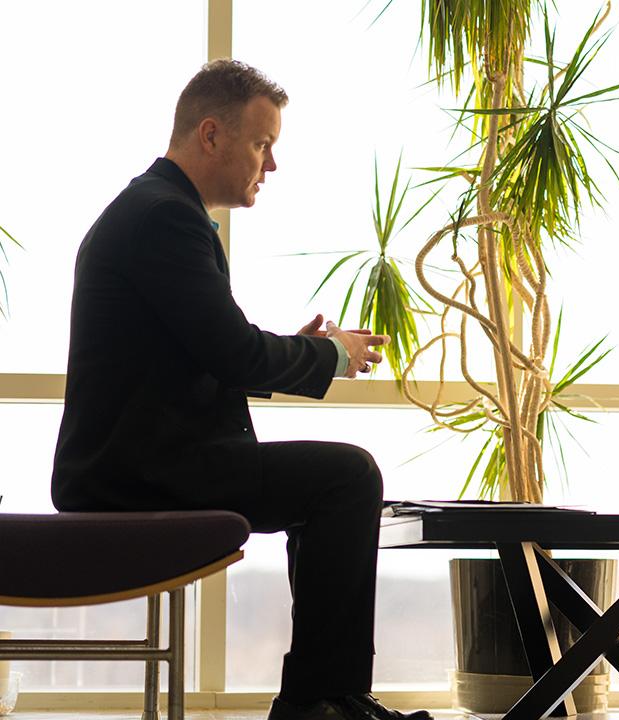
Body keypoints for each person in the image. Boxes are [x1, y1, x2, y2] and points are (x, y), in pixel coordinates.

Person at [51, 59, 433, 720]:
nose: (272, 165)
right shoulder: (164, 219)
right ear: (211, 136)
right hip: (136, 472)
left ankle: (323, 699)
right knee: (344, 478)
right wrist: (328, 356)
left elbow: (204, 357)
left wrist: (296, 349)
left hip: (137, 461)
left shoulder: (155, 209)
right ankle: (322, 702)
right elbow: (233, 350)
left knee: (332, 482)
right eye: (263, 144)